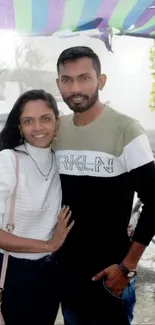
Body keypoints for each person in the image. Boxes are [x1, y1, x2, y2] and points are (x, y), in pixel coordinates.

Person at [52, 46, 155, 325]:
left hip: (110, 279)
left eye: (84, 78)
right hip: (68, 277)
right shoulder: (56, 130)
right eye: (67, 79)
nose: (75, 88)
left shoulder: (126, 130)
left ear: (101, 80)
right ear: (58, 83)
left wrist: (127, 268)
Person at [0, 89, 74, 325]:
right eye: (28, 121)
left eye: (45, 118)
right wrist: (49, 244)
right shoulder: (9, 160)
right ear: (19, 127)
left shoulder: (61, 160)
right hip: (13, 273)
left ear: (56, 121)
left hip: (50, 274)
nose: (38, 127)